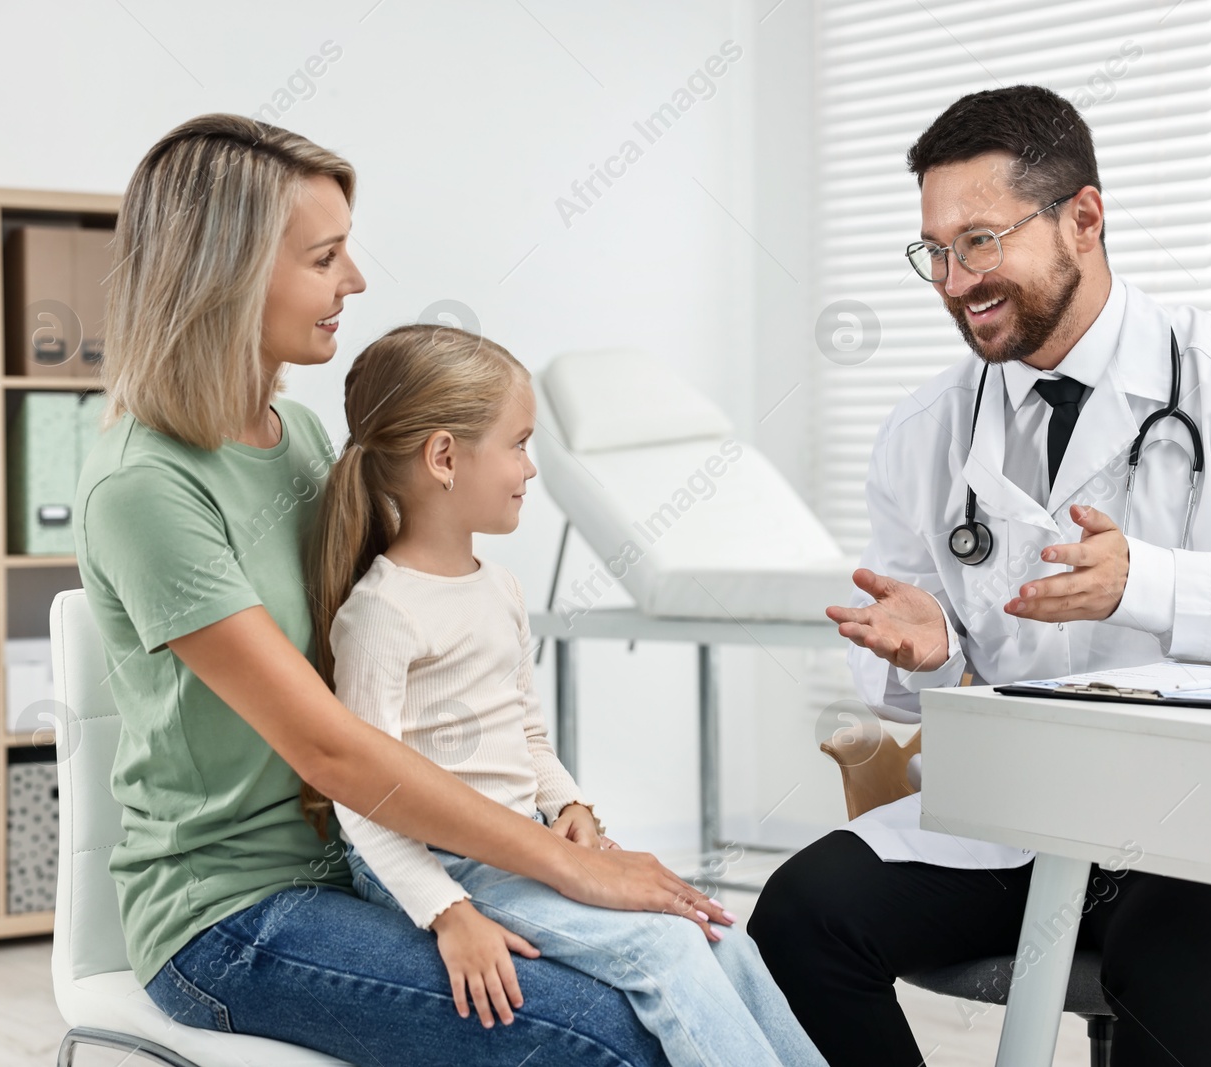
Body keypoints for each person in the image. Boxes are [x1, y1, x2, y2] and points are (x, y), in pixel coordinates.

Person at [749, 85, 1211, 1067]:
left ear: (1084, 218)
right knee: (798, 916)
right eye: (933, 251)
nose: (952, 280)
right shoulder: (922, 433)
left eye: (979, 241)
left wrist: (1145, 583)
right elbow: (904, 679)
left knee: (1170, 950)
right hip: (1023, 813)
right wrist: (932, 651)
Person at [74, 113, 729, 1067]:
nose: (357, 282)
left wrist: (549, 822)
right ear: (226, 271)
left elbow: (415, 645)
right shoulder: (146, 488)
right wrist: (564, 869)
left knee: (681, 974)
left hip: (367, 868)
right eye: (326, 256)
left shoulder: (297, 440)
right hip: (232, 917)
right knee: (606, 1038)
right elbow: (334, 749)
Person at [302, 322, 827, 1067]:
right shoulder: (383, 613)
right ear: (445, 457)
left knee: (713, 926)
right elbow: (364, 799)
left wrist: (570, 806)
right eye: (518, 444)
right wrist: (447, 911)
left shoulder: (501, 590)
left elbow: (527, 737)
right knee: (663, 947)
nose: (532, 467)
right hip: (440, 867)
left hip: (519, 848)